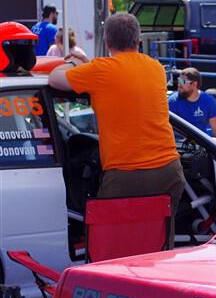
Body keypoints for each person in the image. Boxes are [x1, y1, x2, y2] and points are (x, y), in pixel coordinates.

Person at [47, 13, 185, 247]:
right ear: (137, 40)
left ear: (107, 42)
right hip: (169, 172)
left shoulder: (100, 70)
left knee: (117, 249)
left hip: (125, 176)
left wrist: (74, 61)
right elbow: (123, 81)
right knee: (158, 243)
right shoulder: (155, 68)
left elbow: (54, 79)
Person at [168, 68, 216, 138]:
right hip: (179, 144)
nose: (179, 85)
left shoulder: (209, 101)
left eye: (182, 81)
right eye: (178, 81)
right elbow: (167, 128)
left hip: (200, 143)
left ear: (194, 84)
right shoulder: (172, 101)